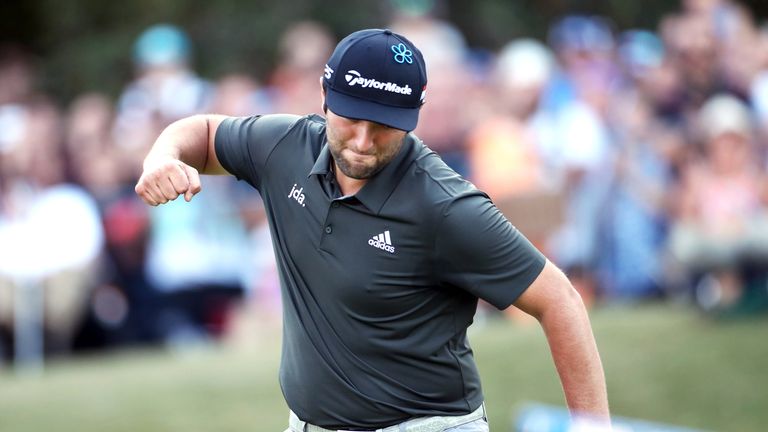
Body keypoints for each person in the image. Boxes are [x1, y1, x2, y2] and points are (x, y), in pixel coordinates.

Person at [135, 28, 609, 431]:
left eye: (384, 125)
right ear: (324, 97)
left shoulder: (446, 207)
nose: (363, 142)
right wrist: (162, 157)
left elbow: (560, 301)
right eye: (351, 118)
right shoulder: (283, 147)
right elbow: (203, 132)